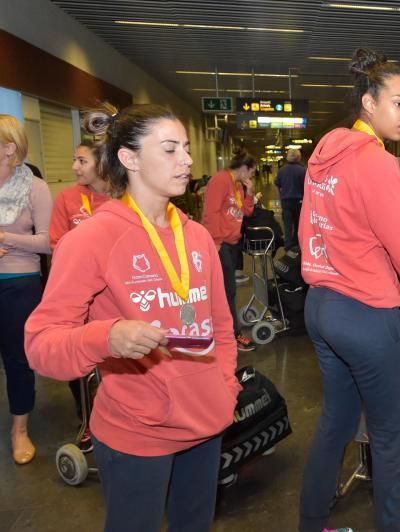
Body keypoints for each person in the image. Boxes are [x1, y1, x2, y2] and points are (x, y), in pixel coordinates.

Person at [25, 103, 240, 532]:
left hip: (206, 420)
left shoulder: (196, 236)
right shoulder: (91, 240)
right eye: (169, 149)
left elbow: (221, 326)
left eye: (185, 147)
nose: (186, 160)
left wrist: (226, 385)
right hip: (137, 431)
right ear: (129, 158)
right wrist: (107, 337)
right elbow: (41, 345)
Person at [298, 48, 400, 532]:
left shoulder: (325, 155)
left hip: (320, 306)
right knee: (388, 437)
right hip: (364, 313)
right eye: (398, 104)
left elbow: (309, 227)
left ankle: (311, 521)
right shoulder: (378, 163)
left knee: (336, 423)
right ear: (369, 103)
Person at [49, 141, 111, 452]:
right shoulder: (67, 198)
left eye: (82, 161)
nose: (75, 167)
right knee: (81, 361)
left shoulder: (120, 197)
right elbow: (57, 242)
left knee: (117, 359)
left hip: (116, 295)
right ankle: (85, 419)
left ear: (102, 163)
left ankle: (113, 417)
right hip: (81, 295)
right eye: (74, 159)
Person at [0, 114, 52, 465]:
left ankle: (20, 429)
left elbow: (48, 242)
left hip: (18, 283)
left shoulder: (35, 187)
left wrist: (6, 238)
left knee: (17, 360)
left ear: (10, 148)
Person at [202, 148, 256, 351]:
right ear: (244, 168)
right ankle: (232, 335)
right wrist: (214, 242)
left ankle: (226, 333)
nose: (251, 175)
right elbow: (210, 212)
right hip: (220, 243)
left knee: (228, 291)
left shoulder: (238, 185)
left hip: (232, 243)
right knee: (228, 291)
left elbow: (247, 211)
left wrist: (249, 192)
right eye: (251, 172)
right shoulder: (220, 180)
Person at [275, 148, 306, 250]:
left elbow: (278, 185)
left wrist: (281, 196)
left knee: (287, 224)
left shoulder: (282, 170)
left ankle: (288, 245)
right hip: (299, 201)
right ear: (299, 157)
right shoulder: (303, 170)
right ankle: (297, 244)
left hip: (286, 201)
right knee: (298, 223)